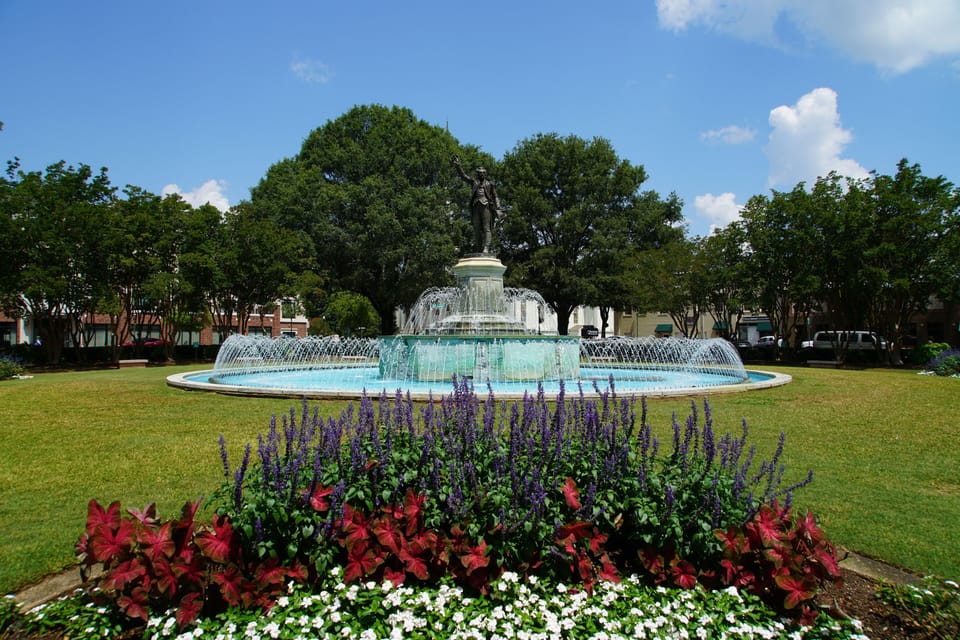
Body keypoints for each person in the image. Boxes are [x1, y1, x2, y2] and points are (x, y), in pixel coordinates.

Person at [452, 155, 503, 254]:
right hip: (475, 206)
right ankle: (479, 249)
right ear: (477, 174)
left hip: (486, 206)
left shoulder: (490, 184)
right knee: (477, 229)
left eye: (483, 173)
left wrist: (498, 206)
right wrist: (458, 166)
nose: (481, 175)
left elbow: (495, 196)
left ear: (485, 174)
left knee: (486, 228)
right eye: (479, 173)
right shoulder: (474, 182)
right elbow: (464, 176)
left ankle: (486, 248)